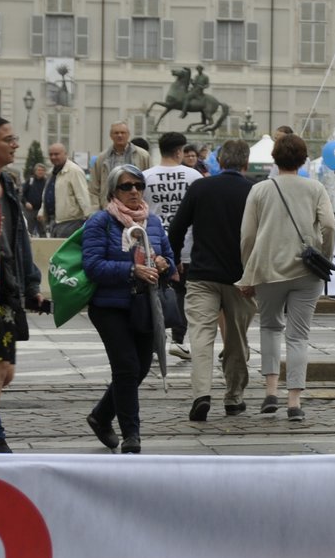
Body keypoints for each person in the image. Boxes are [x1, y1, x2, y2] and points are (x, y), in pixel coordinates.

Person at [236, 133, 335, 423]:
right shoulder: (315, 188)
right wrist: (324, 256)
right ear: (304, 159)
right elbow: (329, 226)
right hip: (306, 272)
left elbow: (247, 236)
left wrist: (247, 272)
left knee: (269, 327)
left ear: (275, 159)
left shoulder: (260, 190)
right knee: (298, 335)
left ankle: (270, 392)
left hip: (268, 269)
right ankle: (294, 400)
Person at [81, 164, 175, 454]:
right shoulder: (101, 222)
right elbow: (92, 265)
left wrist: (163, 263)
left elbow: (170, 260)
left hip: (144, 306)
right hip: (110, 306)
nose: (134, 190)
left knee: (141, 367)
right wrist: (131, 270)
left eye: (138, 185)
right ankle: (131, 435)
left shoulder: (154, 223)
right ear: (113, 191)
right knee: (126, 367)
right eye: (126, 186)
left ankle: (100, 416)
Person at [169, 139, 254, 421]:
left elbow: (177, 228)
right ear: (245, 163)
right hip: (241, 278)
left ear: (220, 160)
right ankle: (233, 397)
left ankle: (201, 395)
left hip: (202, 274)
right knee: (236, 340)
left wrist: (175, 261)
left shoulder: (200, 187)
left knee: (201, 337)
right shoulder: (254, 190)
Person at [0, 118, 44, 454]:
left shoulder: (7, 185)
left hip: (3, 293)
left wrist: (31, 284)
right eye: (8, 139)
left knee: (3, 372)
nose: (15, 145)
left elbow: (17, 240)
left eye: (15, 138)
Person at [142, 130, 201, 359]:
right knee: (183, 294)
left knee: (154, 294)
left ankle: (156, 341)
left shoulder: (145, 176)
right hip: (186, 245)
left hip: (154, 245)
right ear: (180, 151)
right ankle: (178, 339)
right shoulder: (194, 177)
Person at [89, 121, 150, 207]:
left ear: (128, 135)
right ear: (111, 136)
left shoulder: (143, 156)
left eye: (123, 133)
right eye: (116, 133)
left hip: (136, 207)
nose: (120, 135)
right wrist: (95, 210)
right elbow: (94, 188)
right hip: (109, 207)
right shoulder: (101, 158)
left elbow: (148, 183)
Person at [44, 142, 92, 239]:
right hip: (54, 221)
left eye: (56, 154)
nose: (53, 157)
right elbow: (48, 192)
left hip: (71, 222)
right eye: (51, 154)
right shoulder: (51, 172)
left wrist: (89, 217)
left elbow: (83, 195)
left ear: (65, 154)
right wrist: (42, 212)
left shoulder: (74, 171)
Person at [21, 162, 48, 238]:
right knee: (29, 231)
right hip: (30, 210)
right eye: (39, 170)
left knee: (43, 231)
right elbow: (22, 195)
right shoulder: (30, 181)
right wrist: (26, 203)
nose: (40, 172)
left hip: (41, 211)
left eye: (42, 170)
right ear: (35, 171)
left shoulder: (46, 182)